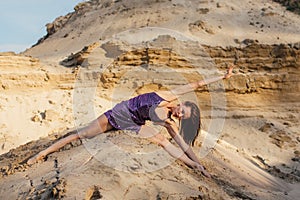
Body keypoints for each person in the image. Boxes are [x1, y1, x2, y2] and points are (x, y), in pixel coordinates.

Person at [27, 65, 234, 178]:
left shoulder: (169, 123)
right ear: (182, 104)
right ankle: (42, 153)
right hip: (119, 113)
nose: (180, 114)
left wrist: (199, 165)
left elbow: (182, 145)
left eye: (183, 116)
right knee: (80, 135)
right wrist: (222, 77)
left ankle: (194, 167)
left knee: (164, 141)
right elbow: (196, 83)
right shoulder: (169, 95)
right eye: (183, 110)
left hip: (134, 125)